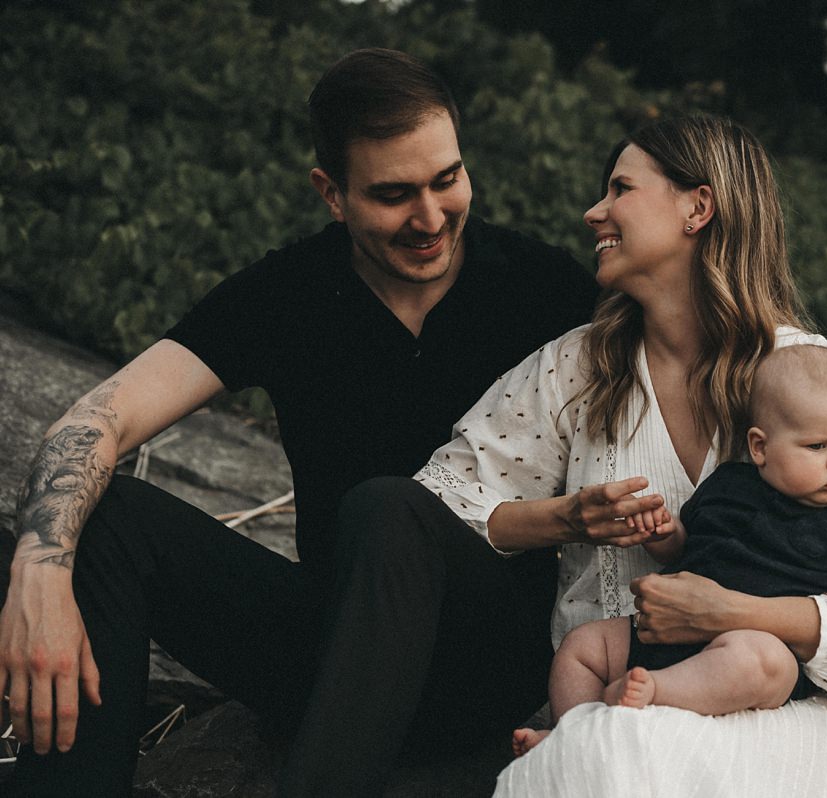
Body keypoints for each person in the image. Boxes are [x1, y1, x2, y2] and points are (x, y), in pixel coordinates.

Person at [0, 48, 598, 797]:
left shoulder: (544, 287)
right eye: (392, 194)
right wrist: (37, 573)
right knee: (101, 515)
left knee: (389, 507)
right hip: (333, 653)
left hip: (484, 665)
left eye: (447, 179)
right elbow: (98, 418)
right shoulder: (287, 294)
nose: (430, 217)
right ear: (332, 194)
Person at [414, 114, 827, 796]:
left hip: (795, 716)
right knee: (612, 754)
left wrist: (734, 614)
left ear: (698, 207)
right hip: (620, 705)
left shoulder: (819, 379)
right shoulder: (576, 368)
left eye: (620, 188)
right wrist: (567, 518)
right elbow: (434, 504)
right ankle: (584, 739)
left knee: (622, 761)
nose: (594, 211)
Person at [509, 343, 827, 754]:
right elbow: (687, 552)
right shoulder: (729, 485)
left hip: (745, 648)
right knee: (583, 645)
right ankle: (569, 737)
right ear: (760, 447)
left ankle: (654, 694)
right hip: (663, 636)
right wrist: (663, 534)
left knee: (765, 662)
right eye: (818, 446)